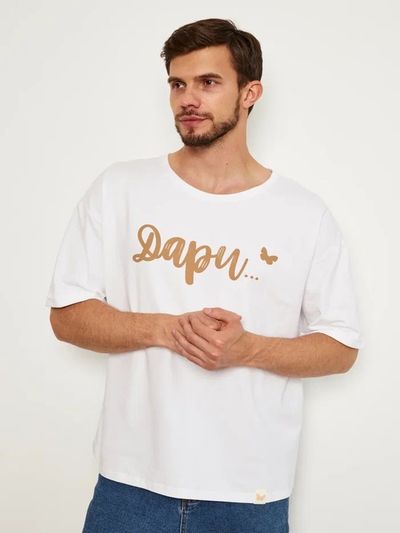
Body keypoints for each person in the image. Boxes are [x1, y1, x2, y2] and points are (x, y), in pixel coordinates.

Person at [45, 17, 364, 533]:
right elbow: (67, 315)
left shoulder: (304, 214)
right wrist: (167, 329)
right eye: (177, 84)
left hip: (249, 494)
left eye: (208, 82)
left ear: (250, 93)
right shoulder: (120, 189)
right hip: (130, 485)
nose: (188, 99)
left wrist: (246, 349)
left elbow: (341, 346)